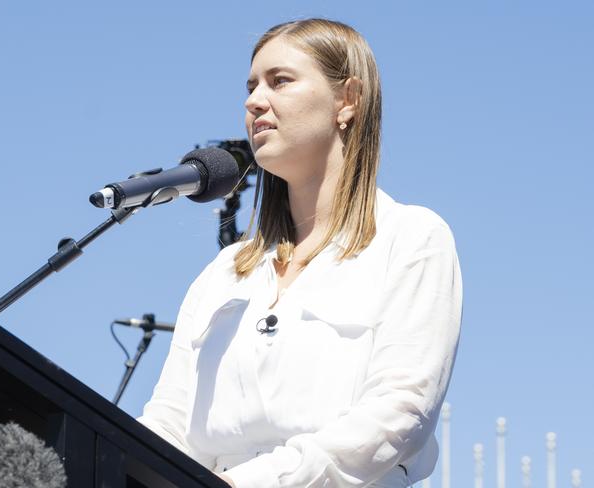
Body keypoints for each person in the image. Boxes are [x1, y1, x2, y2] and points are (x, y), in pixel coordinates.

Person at [138, 18, 462, 488]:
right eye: (250, 86)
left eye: (280, 81)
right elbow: (168, 422)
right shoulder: (225, 272)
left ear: (347, 100)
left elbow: (400, 413)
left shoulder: (411, 239)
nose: (253, 101)